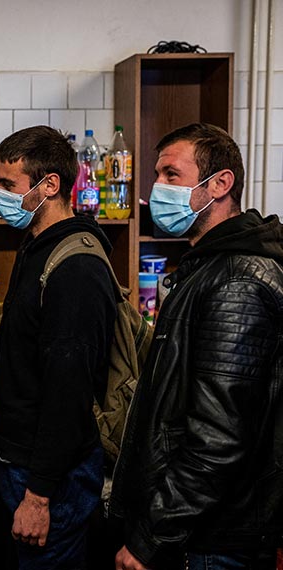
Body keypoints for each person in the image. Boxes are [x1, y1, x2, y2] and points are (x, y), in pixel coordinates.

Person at [112, 123, 283, 570]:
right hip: (198, 530)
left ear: (221, 184)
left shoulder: (237, 283)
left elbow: (219, 437)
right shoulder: (209, 267)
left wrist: (152, 535)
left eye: (171, 175)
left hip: (214, 537)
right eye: (156, 176)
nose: (157, 189)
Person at [0, 125, 117, 568]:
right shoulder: (35, 247)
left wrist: (39, 496)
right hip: (21, 465)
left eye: (8, 185)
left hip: (51, 481)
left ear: (49, 186)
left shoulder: (75, 267)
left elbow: (69, 392)